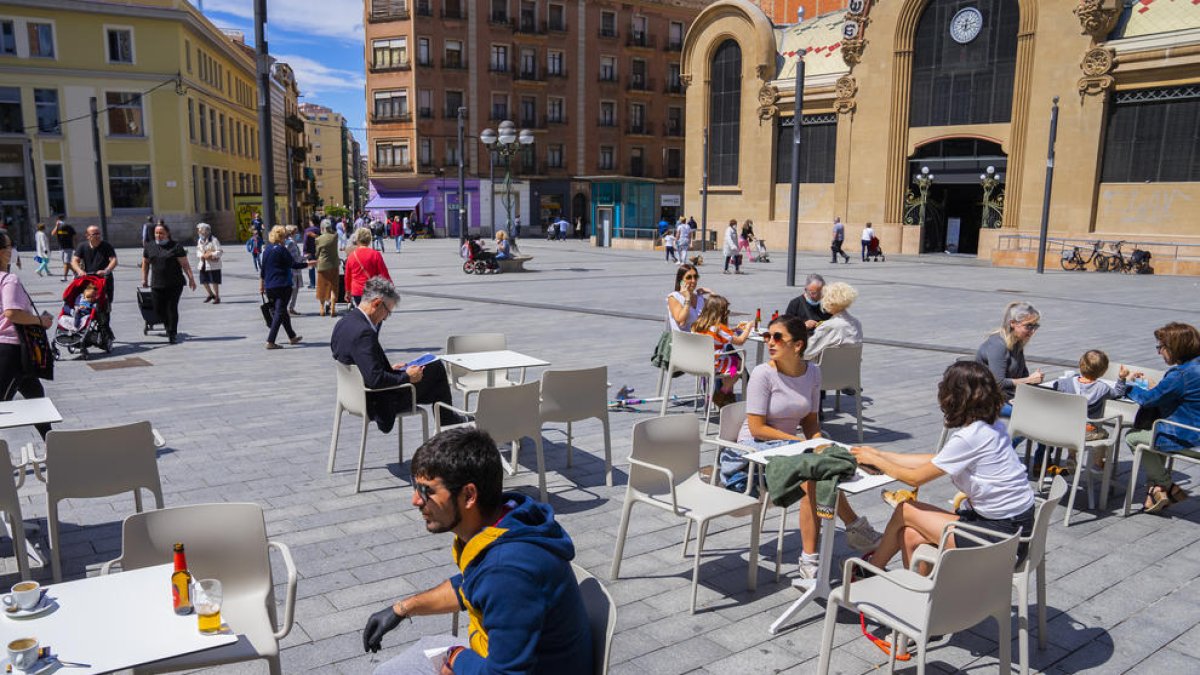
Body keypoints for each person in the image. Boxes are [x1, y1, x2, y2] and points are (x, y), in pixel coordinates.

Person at [362, 427, 593, 675]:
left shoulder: (508, 570)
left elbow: (504, 674)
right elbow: (471, 585)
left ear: (469, 495)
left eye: (426, 490)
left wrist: (456, 658)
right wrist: (402, 609)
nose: (416, 501)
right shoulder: (506, 522)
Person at [728, 314, 880, 578]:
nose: (769, 342)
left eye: (777, 337)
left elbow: (810, 420)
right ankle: (831, 543)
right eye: (767, 336)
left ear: (797, 345)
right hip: (753, 451)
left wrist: (819, 443)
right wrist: (802, 444)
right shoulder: (763, 374)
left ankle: (835, 542)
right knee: (811, 476)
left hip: (790, 448)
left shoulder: (813, 372)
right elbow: (756, 428)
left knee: (825, 466)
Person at [850, 361, 1036, 571]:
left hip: (999, 539)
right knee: (910, 535)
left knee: (905, 510)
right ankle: (924, 596)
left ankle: (871, 570)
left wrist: (878, 461)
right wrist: (881, 454)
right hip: (1016, 530)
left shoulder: (970, 437)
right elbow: (937, 460)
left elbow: (915, 478)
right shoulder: (991, 426)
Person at [331, 277, 462, 432]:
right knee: (436, 369)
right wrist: (407, 376)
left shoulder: (344, 323)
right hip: (377, 401)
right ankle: (450, 426)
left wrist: (390, 369)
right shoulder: (364, 333)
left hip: (352, 396)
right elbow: (375, 380)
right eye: (387, 312)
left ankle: (449, 424)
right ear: (377, 303)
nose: (385, 318)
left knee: (434, 383)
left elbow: (354, 361)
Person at [1121, 322, 1200, 513]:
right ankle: (1155, 494)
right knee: (1154, 436)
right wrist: (1159, 387)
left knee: (1133, 436)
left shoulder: (1180, 374)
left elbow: (1148, 400)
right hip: (1194, 431)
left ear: (1174, 348)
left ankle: (1168, 486)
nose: (1158, 352)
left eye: (1161, 347)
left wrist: (1127, 386)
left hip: (1189, 437)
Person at [0, 231, 54, 438]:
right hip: (12, 349)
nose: (12, 250)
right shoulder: (9, 280)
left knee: (36, 399)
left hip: (14, 349)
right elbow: (12, 313)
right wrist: (42, 321)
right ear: (2, 253)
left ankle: (53, 446)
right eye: (9, 246)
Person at [976, 301, 1044, 406]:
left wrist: (1032, 380)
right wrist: (1029, 380)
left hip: (1009, 396)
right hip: (990, 401)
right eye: (1028, 326)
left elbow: (1023, 375)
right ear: (1013, 323)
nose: (1033, 331)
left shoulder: (1017, 342)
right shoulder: (998, 345)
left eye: (1035, 326)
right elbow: (998, 383)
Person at [692, 294, 751, 407]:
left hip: (697, 362)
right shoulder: (719, 328)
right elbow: (740, 341)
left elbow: (718, 335)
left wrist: (733, 330)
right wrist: (748, 328)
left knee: (731, 362)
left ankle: (727, 393)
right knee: (738, 365)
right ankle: (723, 392)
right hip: (714, 365)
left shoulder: (697, 324)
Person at [141, 223, 196, 344]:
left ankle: (172, 332)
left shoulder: (175, 246)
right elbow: (145, 264)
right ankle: (167, 325)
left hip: (175, 283)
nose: (158, 235)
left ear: (167, 233)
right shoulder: (149, 246)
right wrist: (144, 279)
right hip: (157, 283)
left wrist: (191, 278)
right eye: (156, 233)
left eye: (161, 233)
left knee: (171, 308)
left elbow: (185, 264)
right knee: (158, 309)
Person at [260, 226, 311, 350]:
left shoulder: (267, 250)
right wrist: (308, 264)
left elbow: (263, 271)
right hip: (283, 284)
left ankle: (292, 336)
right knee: (279, 312)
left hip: (270, 286)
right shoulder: (281, 249)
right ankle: (270, 340)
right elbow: (293, 264)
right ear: (281, 237)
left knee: (282, 311)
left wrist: (261, 286)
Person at [804, 282, 862, 360]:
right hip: (850, 370)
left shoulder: (829, 326)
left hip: (825, 370)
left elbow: (806, 353)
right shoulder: (856, 323)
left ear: (829, 301)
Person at [345, 228, 392, 305]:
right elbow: (384, 273)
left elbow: (347, 276)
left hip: (357, 291)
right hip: (372, 290)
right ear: (369, 239)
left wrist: (348, 291)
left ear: (357, 239)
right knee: (373, 314)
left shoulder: (351, 256)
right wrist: (391, 288)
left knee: (362, 313)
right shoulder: (375, 254)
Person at [72, 225, 118, 302]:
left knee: (105, 302)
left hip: (103, 278)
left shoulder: (106, 246)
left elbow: (113, 260)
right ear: (87, 236)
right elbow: (74, 261)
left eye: (98, 234)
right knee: (86, 301)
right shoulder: (82, 246)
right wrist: (79, 271)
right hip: (88, 278)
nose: (97, 236)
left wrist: (106, 270)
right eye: (94, 234)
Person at [666, 263, 708, 332]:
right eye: (689, 277)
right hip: (682, 340)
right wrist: (687, 298)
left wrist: (711, 293)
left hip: (700, 339)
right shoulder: (674, 297)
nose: (693, 280)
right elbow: (680, 320)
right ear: (681, 281)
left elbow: (717, 313)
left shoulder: (700, 299)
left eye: (695, 277)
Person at [315, 221, 341, 317]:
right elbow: (335, 232)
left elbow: (317, 253)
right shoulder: (335, 237)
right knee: (333, 286)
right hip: (334, 265)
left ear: (322, 228)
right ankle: (332, 307)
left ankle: (322, 308)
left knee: (322, 286)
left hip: (322, 265)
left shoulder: (318, 239)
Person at [194, 222, 223, 304]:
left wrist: (210, 254)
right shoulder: (200, 240)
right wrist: (202, 255)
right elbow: (198, 251)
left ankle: (217, 297)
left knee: (214, 281)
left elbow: (220, 252)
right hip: (203, 263)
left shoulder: (214, 240)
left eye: (200, 231)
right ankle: (210, 294)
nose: (199, 233)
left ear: (206, 231)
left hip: (213, 265)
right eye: (199, 231)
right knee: (203, 281)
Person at [284, 225, 306, 316]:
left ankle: (291, 308)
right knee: (292, 290)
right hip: (293, 270)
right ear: (292, 233)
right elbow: (294, 258)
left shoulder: (291, 242)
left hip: (295, 270)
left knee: (295, 290)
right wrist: (305, 259)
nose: (297, 234)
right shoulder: (290, 243)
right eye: (296, 232)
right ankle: (287, 308)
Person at [52, 217, 76, 282]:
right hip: (61, 248)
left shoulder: (69, 227)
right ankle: (75, 272)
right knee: (66, 263)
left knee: (66, 262)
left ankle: (65, 277)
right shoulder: (58, 227)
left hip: (68, 247)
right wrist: (56, 226)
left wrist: (75, 246)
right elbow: (53, 233)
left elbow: (74, 236)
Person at [304, 218, 320, 288]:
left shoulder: (308, 230)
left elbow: (305, 241)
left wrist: (305, 251)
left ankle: (312, 284)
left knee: (311, 267)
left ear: (312, 222)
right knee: (319, 267)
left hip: (310, 251)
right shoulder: (320, 230)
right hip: (318, 251)